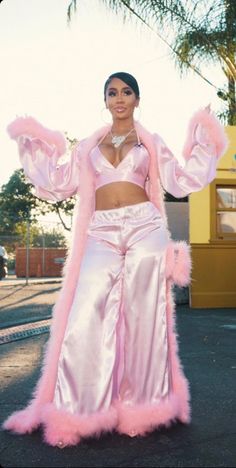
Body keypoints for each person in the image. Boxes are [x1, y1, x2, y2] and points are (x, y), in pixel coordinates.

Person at [3, 72, 228, 447]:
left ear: (137, 99)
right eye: (112, 92)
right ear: (104, 100)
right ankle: (78, 412)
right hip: (101, 231)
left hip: (145, 228)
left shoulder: (150, 141)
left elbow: (179, 181)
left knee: (144, 318)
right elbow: (58, 183)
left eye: (126, 92)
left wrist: (205, 140)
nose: (119, 98)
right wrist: (35, 143)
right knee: (85, 313)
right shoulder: (89, 145)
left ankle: (142, 407)